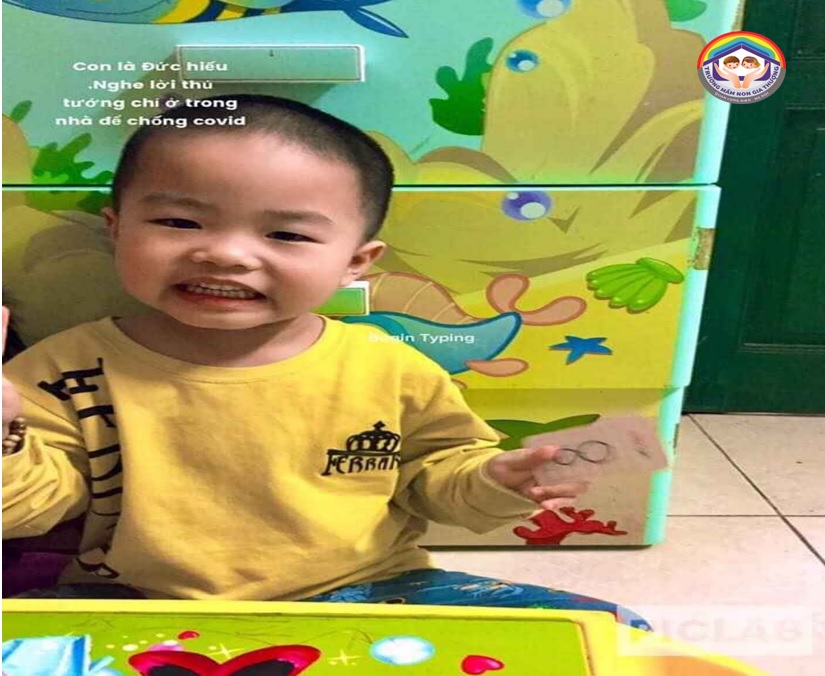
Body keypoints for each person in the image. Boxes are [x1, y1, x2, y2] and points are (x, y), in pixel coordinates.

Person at [1, 95, 650, 629]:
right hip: (138, 602)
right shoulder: (65, 366)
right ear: (116, 228)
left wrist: (498, 481)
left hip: (371, 591)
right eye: (180, 222)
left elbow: (443, 479)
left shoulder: (389, 367)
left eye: (285, 234)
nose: (226, 254)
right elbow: (28, 511)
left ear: (355, 262)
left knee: (611, 632)